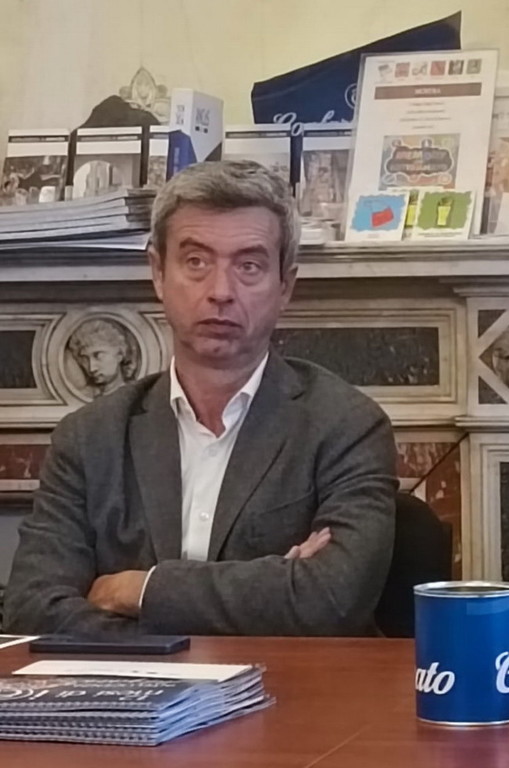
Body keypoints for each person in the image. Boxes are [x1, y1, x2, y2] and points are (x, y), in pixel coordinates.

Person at [5, 160, 397, 637]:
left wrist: (137, 590)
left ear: (285, 286)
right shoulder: (90, 438)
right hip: (127, 683)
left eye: (249, 266)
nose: (220, 291)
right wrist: (268, 592)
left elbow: (330, 598)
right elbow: (32, 608)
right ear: (158, 273)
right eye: (195, 262)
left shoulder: (345, 426)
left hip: (288, 683)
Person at [67, 317, 136, 397]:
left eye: (98, 356)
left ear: (119, 354)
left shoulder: (135, 393)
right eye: (85, 359)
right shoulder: (83, 395)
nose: (92, 368)